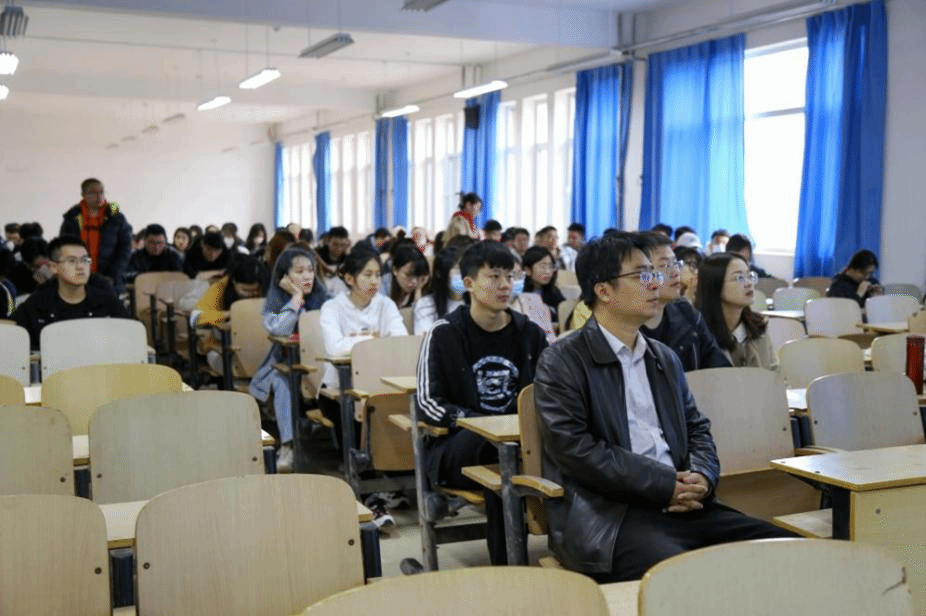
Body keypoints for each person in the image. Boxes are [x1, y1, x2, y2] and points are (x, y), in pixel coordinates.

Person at [532, 233, 794, 583]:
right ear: (604, 291)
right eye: (642, 275)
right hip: (610, 517)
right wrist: (663, 483)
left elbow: (697, 428)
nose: (655, 283)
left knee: (786, 550)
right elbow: (575, 450)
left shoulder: (663, 357)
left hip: (682, 502)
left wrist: (702, 476)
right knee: (691, 577)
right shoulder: (562, 360)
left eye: (653, 273)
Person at [416, 240, 548, 564]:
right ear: (469, 283)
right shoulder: (444, 333)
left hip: (520, 443)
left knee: (522, 456)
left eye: (510, 276)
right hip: (457, 447)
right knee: (499, 453)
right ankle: (509, 567)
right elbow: (428, 403)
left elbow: (551, 394)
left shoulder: (531, 334)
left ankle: (571, 555)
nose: (505, 285)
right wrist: (480, 424)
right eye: (494, 276)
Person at [249, 247, 328, 472]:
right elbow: (279, 330)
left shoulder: (325, 299)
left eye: (310, 270)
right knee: (281, 379)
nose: (307, 276)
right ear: (284, 276)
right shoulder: (275, 302)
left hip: (320, 364)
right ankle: (288, 445)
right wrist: (296, 299)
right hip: (288, 365)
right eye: (299, 271)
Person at [12, 236, 126, 348]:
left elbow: (129, 336)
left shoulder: (107, 301)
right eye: (72, 261)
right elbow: (13, 334)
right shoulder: (38, 303)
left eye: (85, 260)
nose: (80, 266)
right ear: (53, 267)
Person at [695, 253, 777, 370]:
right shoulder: (698, 334)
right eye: (739, 278)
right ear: (715, 285)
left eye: (749, 275)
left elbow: (775, 375)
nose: (749, 283)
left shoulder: (758, 327)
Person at [191, 255, 267, 376]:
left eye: (254, 291)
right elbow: (194, 318)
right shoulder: (221, 287)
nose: (250, 295)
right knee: (217, 359)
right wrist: (227, 315)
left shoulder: (266, 288)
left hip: (259, 348)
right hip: (225, 350)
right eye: (245, 290)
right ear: (233, 281)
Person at [60, 178, 132, 294]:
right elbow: (64, 247)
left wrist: (114, 273)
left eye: (101, 192)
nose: (99, 196)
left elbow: (126, 247)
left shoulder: (116, 216)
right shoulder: (72, 217)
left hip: (111, 278)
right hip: (79, 277)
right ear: (83, 194)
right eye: (93, 193)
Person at [413, 246, 465, 334]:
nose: (462, 276)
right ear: (440, 274)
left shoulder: (475, 302)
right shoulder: (426, 305)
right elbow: (426, 338)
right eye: (456, 270)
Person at [522, 246, 566, 326]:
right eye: (543, 267)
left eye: (550, 266)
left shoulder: (554, 292)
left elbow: (563, 315)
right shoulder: (520, 292)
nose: (548, 272)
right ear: (527, 270)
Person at [384, 244, 430, 309]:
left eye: (417, 275)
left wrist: (418, 290)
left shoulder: (422, 284)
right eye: (408, 275)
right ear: (395, 270)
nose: (414, 281)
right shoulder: (383, 287)